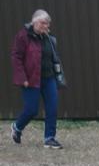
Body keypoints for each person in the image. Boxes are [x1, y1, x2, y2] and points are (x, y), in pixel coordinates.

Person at [11, 10, 65, 148]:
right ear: (34, 21)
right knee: (31, 110)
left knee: (52, 107)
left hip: (49, 78)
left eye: (47, 23)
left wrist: (58, 74)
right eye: (43, 23)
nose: (46, 26)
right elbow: (16, 58)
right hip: (30, 79)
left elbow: (53, 57)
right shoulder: (23, 36)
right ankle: (17, 127)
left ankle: (49, 138)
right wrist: (22, 77)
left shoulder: (49, 38)